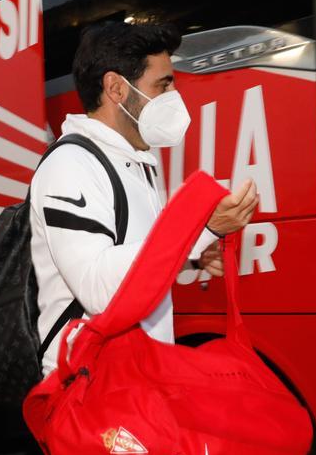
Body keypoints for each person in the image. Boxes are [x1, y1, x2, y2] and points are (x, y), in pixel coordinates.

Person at [31, 21, 260, 375]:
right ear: (116, 88)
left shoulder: (136, 163)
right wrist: (200, 232)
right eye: (162, 85)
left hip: (136, 378)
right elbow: (97, 289)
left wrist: (191, 257)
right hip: (90, 388)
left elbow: (134, 256)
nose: (173, 98)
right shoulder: (70, 164)